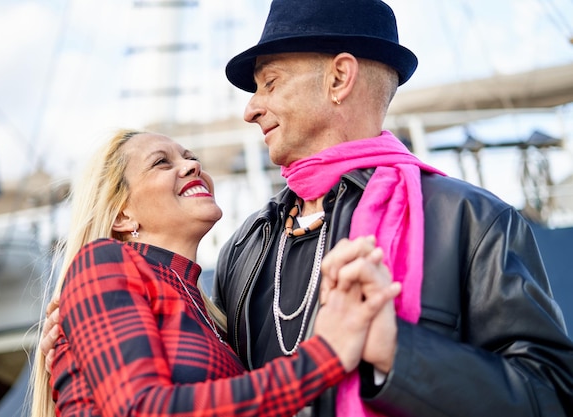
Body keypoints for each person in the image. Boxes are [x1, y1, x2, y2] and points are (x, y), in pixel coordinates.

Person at [40, 0, 573, 415]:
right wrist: (77, 363)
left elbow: (550, 397)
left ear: (339, 78)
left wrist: (394, 352)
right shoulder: (245, 250)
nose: (251, 109)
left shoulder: (470, 221)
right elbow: (207, 391)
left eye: (269, 83)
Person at [29, 128, 402, 417]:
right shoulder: (103, 263)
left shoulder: (210, 314)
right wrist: (326, 355)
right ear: (123, 214)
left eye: (190, 158)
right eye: (162, 162)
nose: (192, 166)